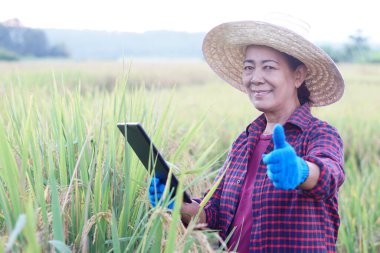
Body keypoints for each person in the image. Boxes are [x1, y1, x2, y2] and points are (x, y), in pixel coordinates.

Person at [149, 15, 345, 252]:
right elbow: (214, 214)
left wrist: (301, 170)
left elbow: (330, 175)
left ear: (298, 75)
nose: (256, 78)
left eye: (269, 67)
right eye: (249, 68)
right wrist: (176, 203)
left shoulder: (319, 134)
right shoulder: (244, 142)